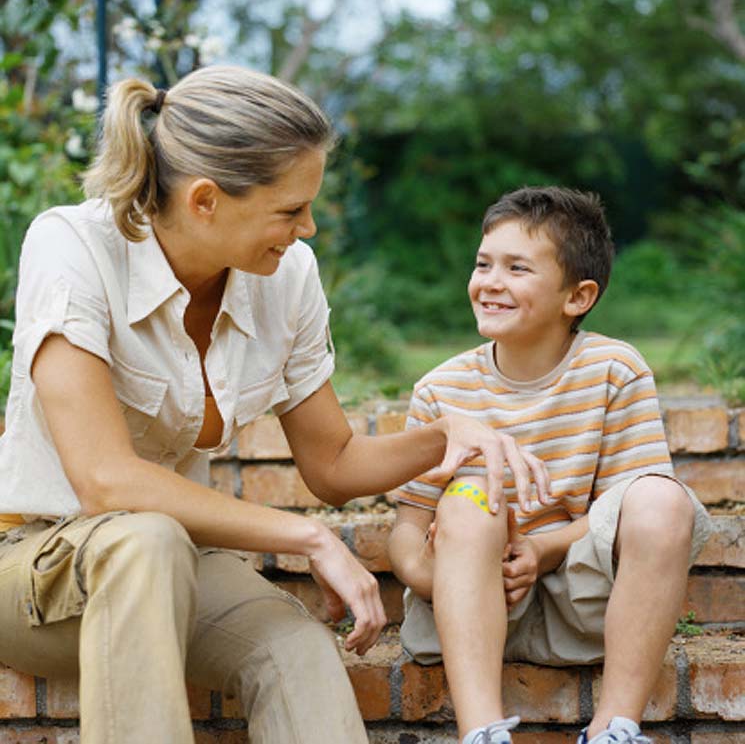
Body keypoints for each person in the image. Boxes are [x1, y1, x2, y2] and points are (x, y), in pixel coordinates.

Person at [0, 67, 548, 744]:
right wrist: (308, 535)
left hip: (178, 568)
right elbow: (104, 479)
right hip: (35, 568)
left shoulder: (285, 277)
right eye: (290, 211)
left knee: (296, 648)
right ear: (205, 200)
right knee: (145, 537)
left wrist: (447, 434)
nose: (308, 228)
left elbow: (333, 461)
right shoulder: (73, 246)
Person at [388, 186, 712, 744]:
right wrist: (432, 575)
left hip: (584, 607)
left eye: (517, 268)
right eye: (484, 263)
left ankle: (614, 730)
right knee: (469, 495)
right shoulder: (440, 391)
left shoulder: (614, 369)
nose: (490, 281)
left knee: (661, 496)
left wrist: (542, 548)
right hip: (466, 611)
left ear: (577, 296)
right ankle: (482, 733)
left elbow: (631, 501)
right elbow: (407, 530)